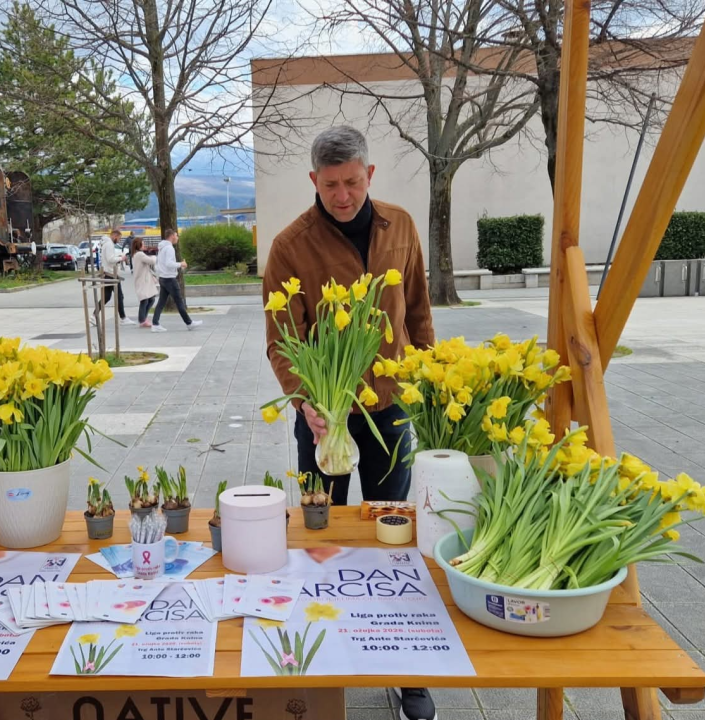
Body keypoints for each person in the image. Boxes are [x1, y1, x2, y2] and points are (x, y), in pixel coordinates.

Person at [261, 126, 436, 720]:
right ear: (313, 181)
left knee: (395, 534)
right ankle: (325, 647)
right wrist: (305, 400)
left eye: (352, 182)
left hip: (389, 408)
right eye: (330, 185)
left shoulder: (401, 225)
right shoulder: (290, 246)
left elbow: (416, 309)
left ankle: (406, 666)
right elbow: (282, 342)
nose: (342, 196)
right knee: (323, 538)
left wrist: (428, 383)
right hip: (324, 420)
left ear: (370, 174)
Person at [151, 229, 202, 332]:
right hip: (169, 279)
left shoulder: (161, 248)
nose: (178, 238)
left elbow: (161, 264)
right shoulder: (169, 248)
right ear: (172, 236)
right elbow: (169, 263)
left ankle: (155, 324)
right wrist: (181, 264)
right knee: (179, 302)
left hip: (163, 278)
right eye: (176, 235)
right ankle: (189, 323)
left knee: (161, 302)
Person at [96, 229, 137, 326]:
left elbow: (108, 258)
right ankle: (123, 318)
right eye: (119, 238)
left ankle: (94, 315)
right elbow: (110, 259)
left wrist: (117, 257)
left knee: (106, 297)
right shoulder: (109, 244)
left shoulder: (106, 244)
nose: (119, 240)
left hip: (107, 273)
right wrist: (121, 258)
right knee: (119, 296)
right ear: (114, 235)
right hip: (111, 274)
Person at [131, 238, 158, 327]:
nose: (144, 245)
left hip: (144, 281)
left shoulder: (137, 254)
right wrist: (154, 256)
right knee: (145, 300)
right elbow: (152, 261)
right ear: (139, 245)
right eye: (143, 244)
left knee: (150, 299)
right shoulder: (139, 254)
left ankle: (143, 318)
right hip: (142, 281)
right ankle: (142, 320)